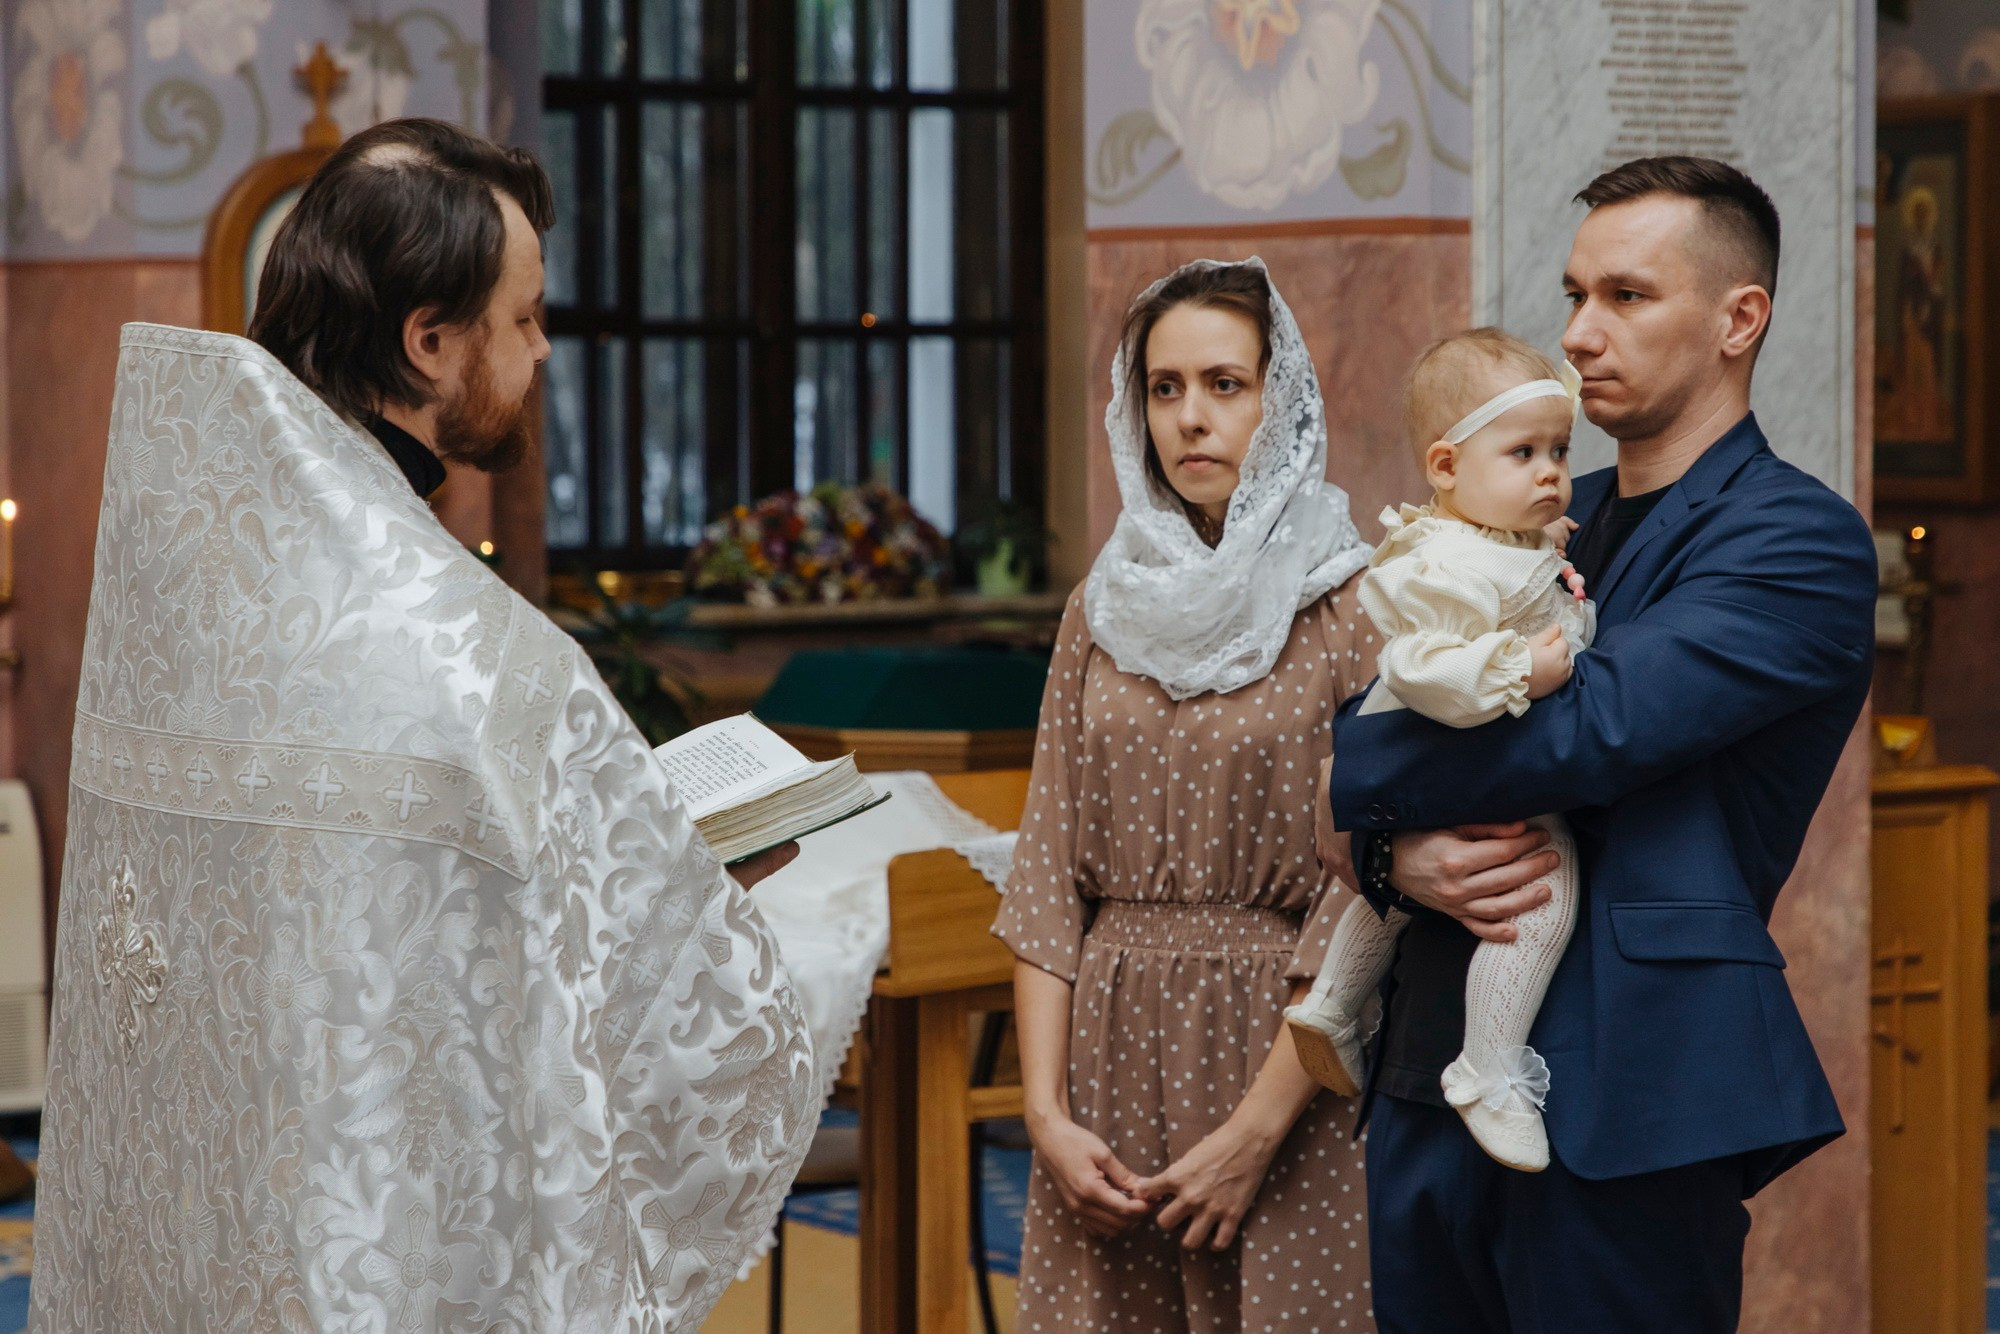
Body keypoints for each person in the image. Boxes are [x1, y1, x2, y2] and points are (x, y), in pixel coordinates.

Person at [32, 118, 815, 1332]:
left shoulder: (192, 592)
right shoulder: (464, 653)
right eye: (525, 317)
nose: (542, 348)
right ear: (430, 341)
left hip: (198, 1226)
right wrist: (696, 891)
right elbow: (666, 1026)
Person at [1324, 156, 1876, 1332]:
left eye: (1624, 297)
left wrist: (1348, 784)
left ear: (1738, 318)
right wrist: (1390, 858)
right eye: (1573, 294)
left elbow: (1589, 732)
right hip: (1429, 1069)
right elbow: (1391, 698)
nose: (1576, 333)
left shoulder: (1795, 538)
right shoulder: (1522, 504)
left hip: (1629, 1096)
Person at [994, 257, 1379, 1331]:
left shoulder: (1350, 605)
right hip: (1104, 1068)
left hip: (1285, 1062)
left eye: (1224, 384)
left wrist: (1258, 1127)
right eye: (1164, 388)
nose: (1190, 418)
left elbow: (1367, 894)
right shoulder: (1098, 605)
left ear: (1281, 397)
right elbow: (1044, 874)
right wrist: (1044, 1114)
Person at [1286, 329, 1592, 1174]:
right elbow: (1418, 668)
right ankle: (1489, 1067)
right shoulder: (1444, 560)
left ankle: (1336, 1003)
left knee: (1403, 887)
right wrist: (1517, 669)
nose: (1549, 472)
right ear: (1447, 468)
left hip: (1447, 757)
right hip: (1459, 748)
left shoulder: (1499, 537)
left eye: (1560, 450)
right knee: (1540, 895)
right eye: (1524, 451)